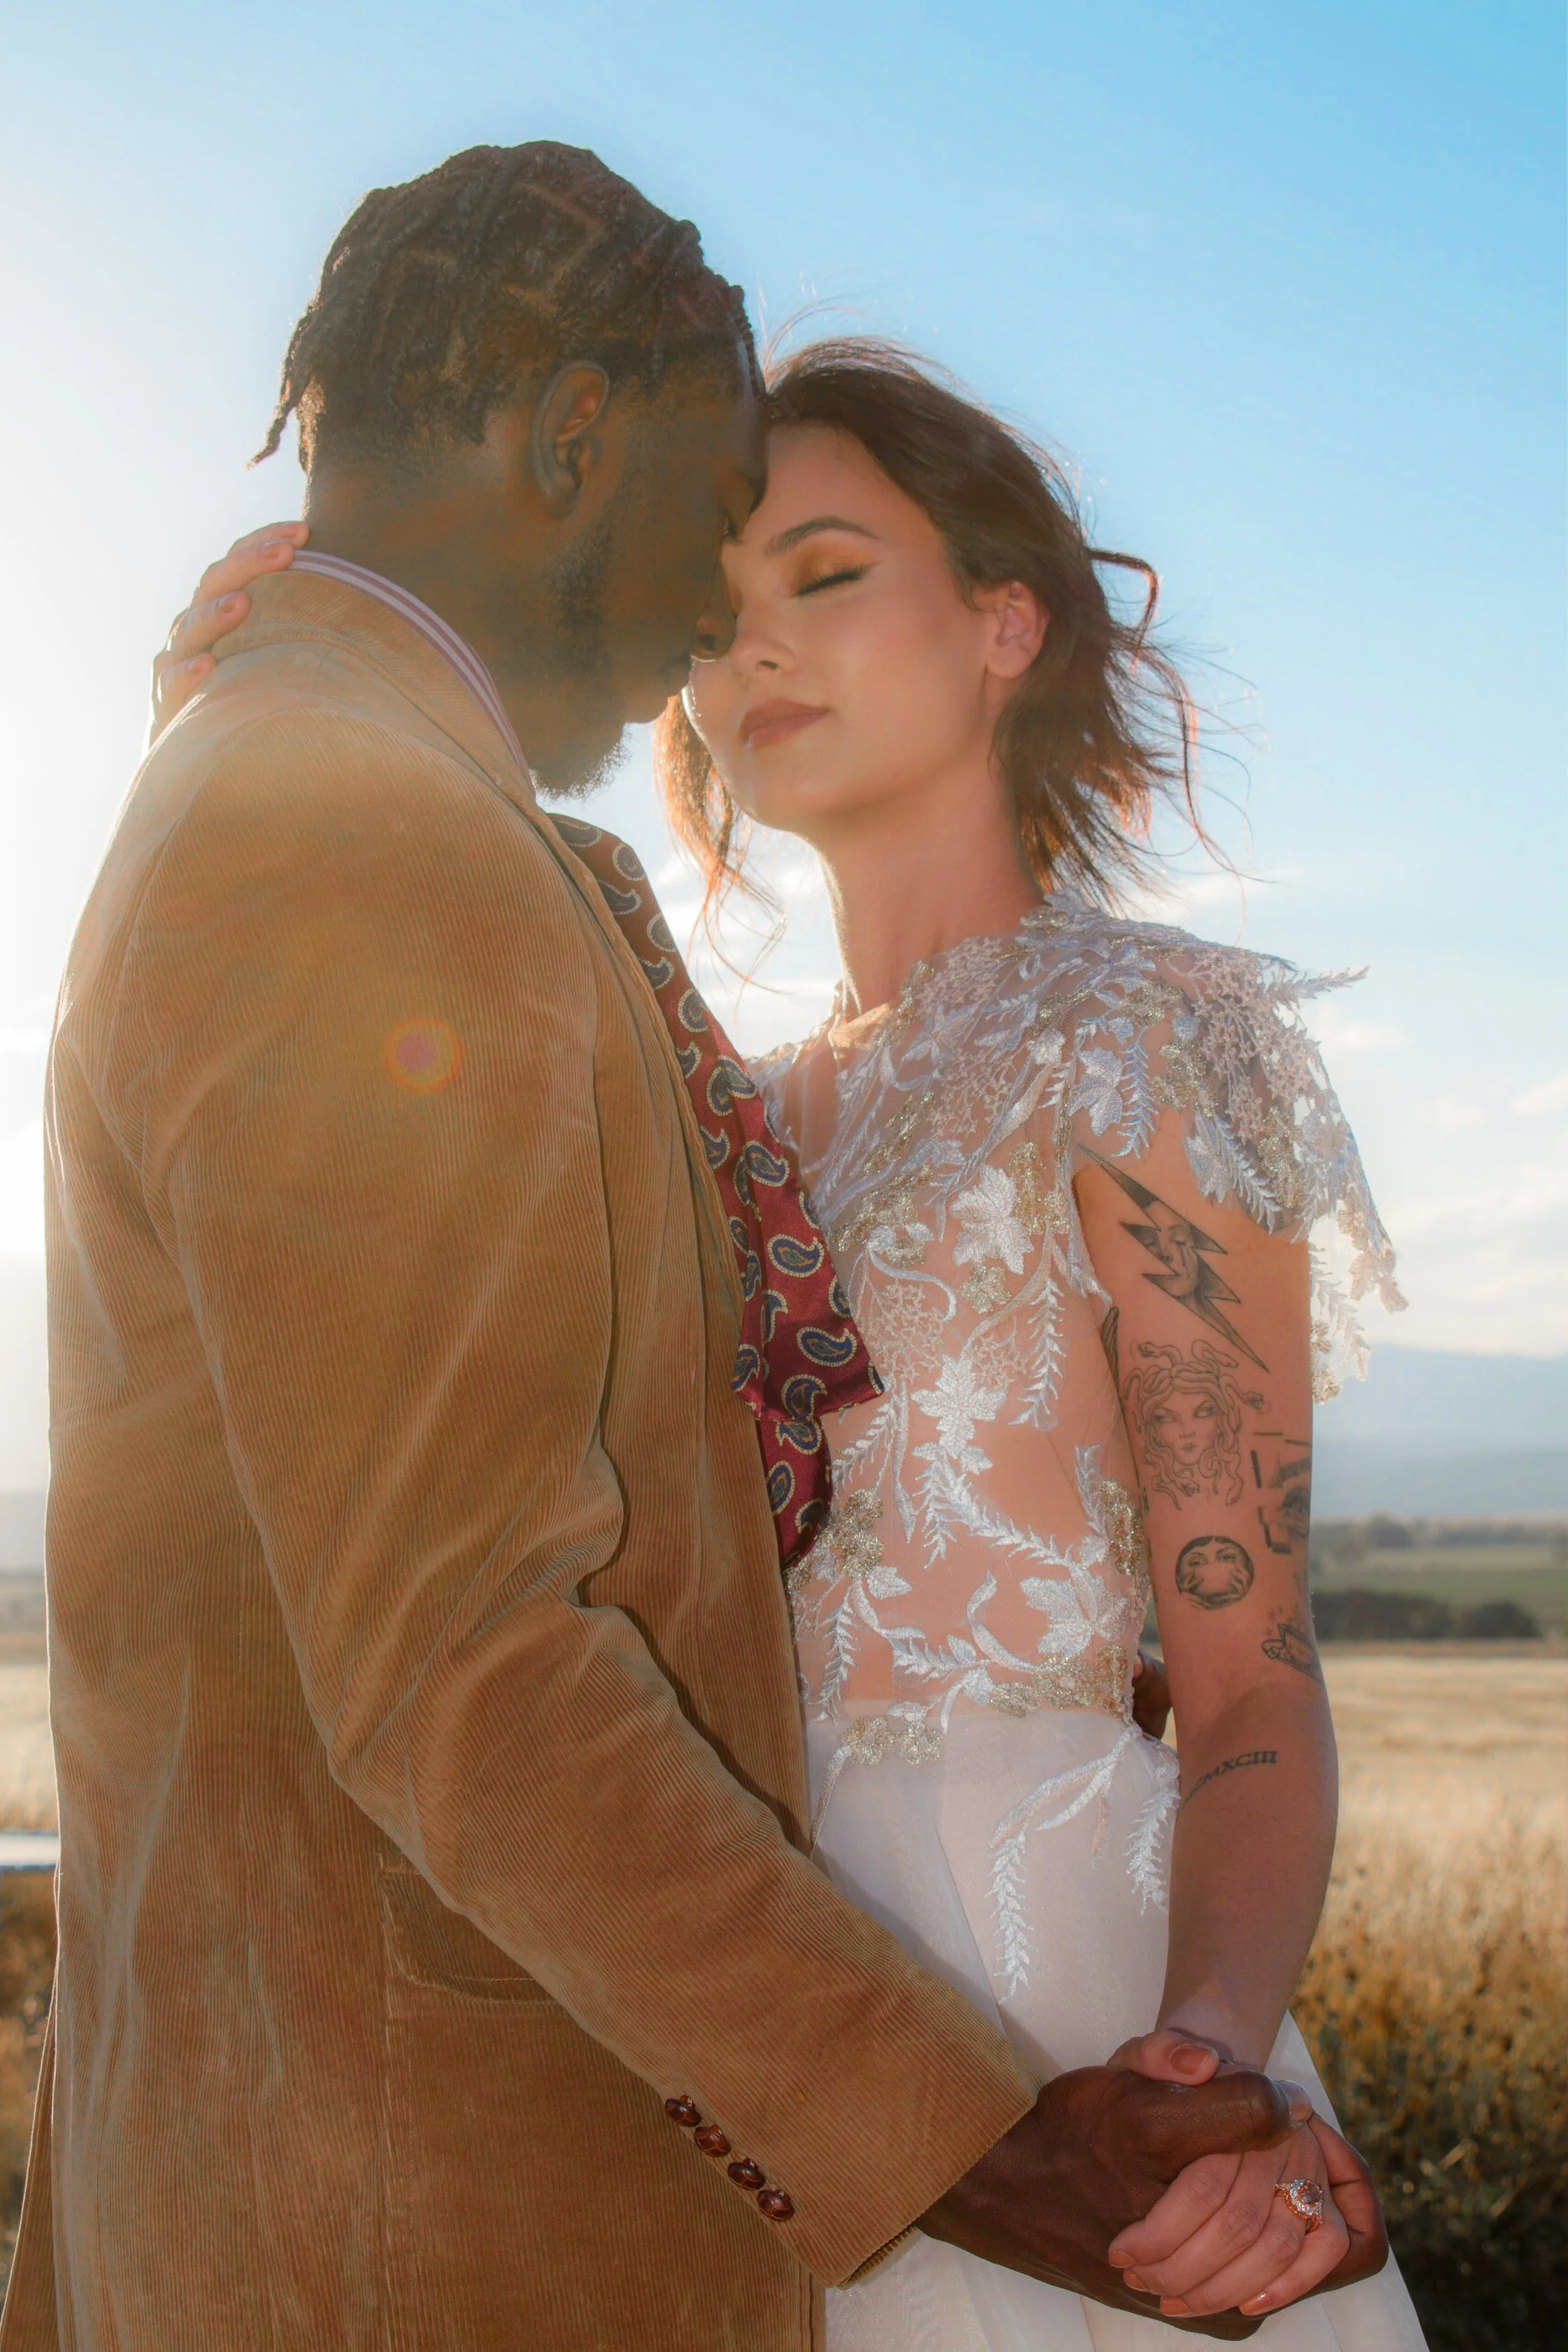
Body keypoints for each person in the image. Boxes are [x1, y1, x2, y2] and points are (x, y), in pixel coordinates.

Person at [5, 144, 1387, 2352]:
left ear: (1000, 625)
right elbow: (471, 1635)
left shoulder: (1121, 1039)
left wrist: (1193, 2059)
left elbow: (1241, 1671)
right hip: (729, 2047)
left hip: (995, 1997)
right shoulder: (598, 994)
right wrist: (971, 2145)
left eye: (821, 567)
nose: (720, 634)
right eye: (708, 544)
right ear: (569, 449)